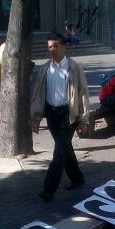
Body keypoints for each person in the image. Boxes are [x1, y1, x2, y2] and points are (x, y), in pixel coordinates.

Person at [31, 32, 90, 202]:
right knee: (65, 149)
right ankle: (77, 179)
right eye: (49, 47)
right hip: (52, 114)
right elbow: (38, 94)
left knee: (58, 154)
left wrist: (84, 120)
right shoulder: (44, 69)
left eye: (55, 46)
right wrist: (36, 118)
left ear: (64, 46)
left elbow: (83, 93)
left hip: (68, 115)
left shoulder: (73, 67)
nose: (52, 50)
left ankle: (48, 190)